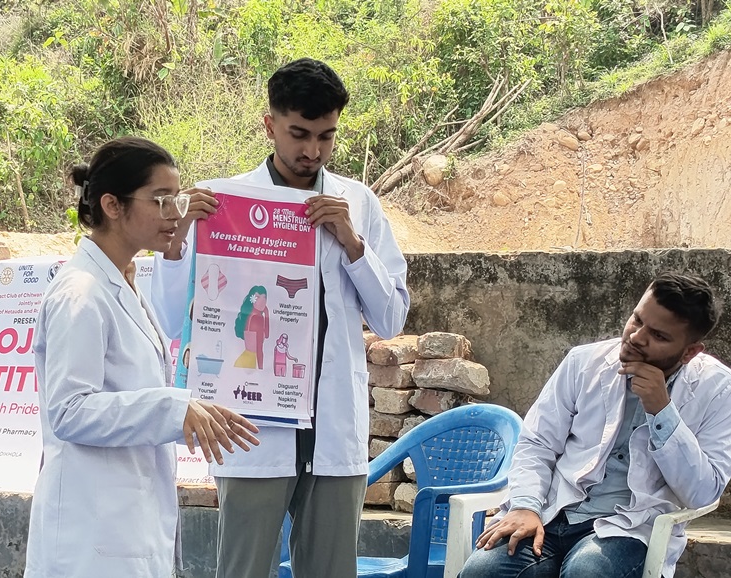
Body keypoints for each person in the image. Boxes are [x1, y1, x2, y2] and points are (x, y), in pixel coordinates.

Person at [152, 58, 410, 578]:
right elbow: (166, 315)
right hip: (252, 429)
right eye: (299, 133)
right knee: (243, 570)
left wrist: (354, 245)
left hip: (334, 434)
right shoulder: (224, 202)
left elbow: (391, 319)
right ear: (269, 125)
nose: (312, 151)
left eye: (326, 136)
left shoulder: (357, 204)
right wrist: (182, 237)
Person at [24, 136, 260, 578]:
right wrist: (174, 409)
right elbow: (69, 411)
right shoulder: (82, 293)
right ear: (113, 206)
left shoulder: (125, 281)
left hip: (126, 520)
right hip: (88, 532)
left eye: (178, 199)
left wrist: (184, 409)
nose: (175, 213)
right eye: (161, 200)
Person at [460, 273, 731, 578]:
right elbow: (537, 443)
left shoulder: (718, 389)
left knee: (586, 572)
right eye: (637, 319)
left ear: (689, 352)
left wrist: (662, 410)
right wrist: (525, 505)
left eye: (658, 336)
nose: (636, 336)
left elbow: (704, 492)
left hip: (628, 527)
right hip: (551, 512)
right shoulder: (583, 362)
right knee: (483, 572)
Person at [234, 285, 270, 369]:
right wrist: (261, 369)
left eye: (264, 297)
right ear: (252, 300)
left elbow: (267, 335)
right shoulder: (256, 318)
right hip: (249, 362)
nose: (262, 301)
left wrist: (267, 314)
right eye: (257, 297)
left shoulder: (251, 316)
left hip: (247, 360)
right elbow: (259, 349)